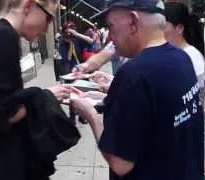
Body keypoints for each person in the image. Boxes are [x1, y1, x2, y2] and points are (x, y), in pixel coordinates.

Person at [71, 0, 204, 179]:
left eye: (111, 26)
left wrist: (90, 114)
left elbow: (120, 163)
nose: (110, 36)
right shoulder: (182, 58)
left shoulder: (134, 74)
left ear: (133, 22)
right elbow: (156, 112)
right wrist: (109, 99)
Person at [0, 0, 80, 179]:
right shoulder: (2, 39)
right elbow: (4, 113)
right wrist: (46, 96)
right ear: (28, 7)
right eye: (49, 17)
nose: (48, 27)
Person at [164, 2, 205, 177]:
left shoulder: (191, 58)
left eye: (161, 25)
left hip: (188, 134)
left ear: (179, 28)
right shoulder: (173, 54)